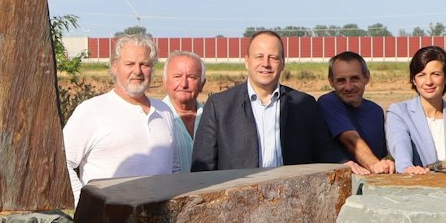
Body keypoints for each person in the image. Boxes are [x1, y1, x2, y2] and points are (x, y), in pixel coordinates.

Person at [191, 30, 340, 171]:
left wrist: (346, 164)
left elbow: (325, 152)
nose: (266, 63)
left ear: (282, 63)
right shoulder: (219, 106)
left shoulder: (305, 105)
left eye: (273, 57)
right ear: (247, 61)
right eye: (259, 56)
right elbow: (203, 168)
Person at [64, 33, 179, 199]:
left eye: (144, 64)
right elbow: (63, 163)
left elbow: (173, 167)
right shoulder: (92, 111)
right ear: (114, 66)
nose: (137, 71)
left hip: (161, 220)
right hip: (106, 221)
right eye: (129, 64)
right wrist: (81, 205)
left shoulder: (164, 111)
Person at [386, 45, 446, 173]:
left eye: (435, 74)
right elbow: (400, 146)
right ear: (413, 79)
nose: (428, 82)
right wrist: (407, 169)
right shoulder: (399, 112)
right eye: (421, 75)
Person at [318, 51, 392, 174]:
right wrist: (376, 165)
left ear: (366, 77)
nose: (348, 87)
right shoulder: (328, 103)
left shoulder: (376, 111)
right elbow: (351, 141)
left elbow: (382, 155)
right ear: (331, 82)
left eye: (354, 79)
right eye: (341, 81)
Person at [162, 50, 206, 173]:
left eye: (192, 77)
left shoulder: (213, 117)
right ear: (164, 81)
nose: (184, 84)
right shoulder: (155, 119)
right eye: (177, 76)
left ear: (202, 83)